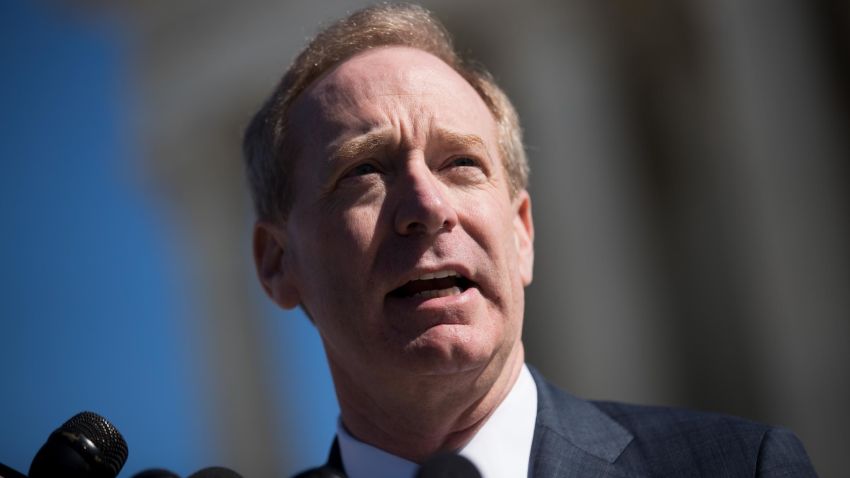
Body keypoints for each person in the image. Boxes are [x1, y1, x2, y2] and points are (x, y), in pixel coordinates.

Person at [242, 4, 817, 477]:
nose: (427, 206)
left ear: (522, 233)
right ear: (276, 262)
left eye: (462, 163)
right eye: (365, 170)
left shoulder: (743, 466)